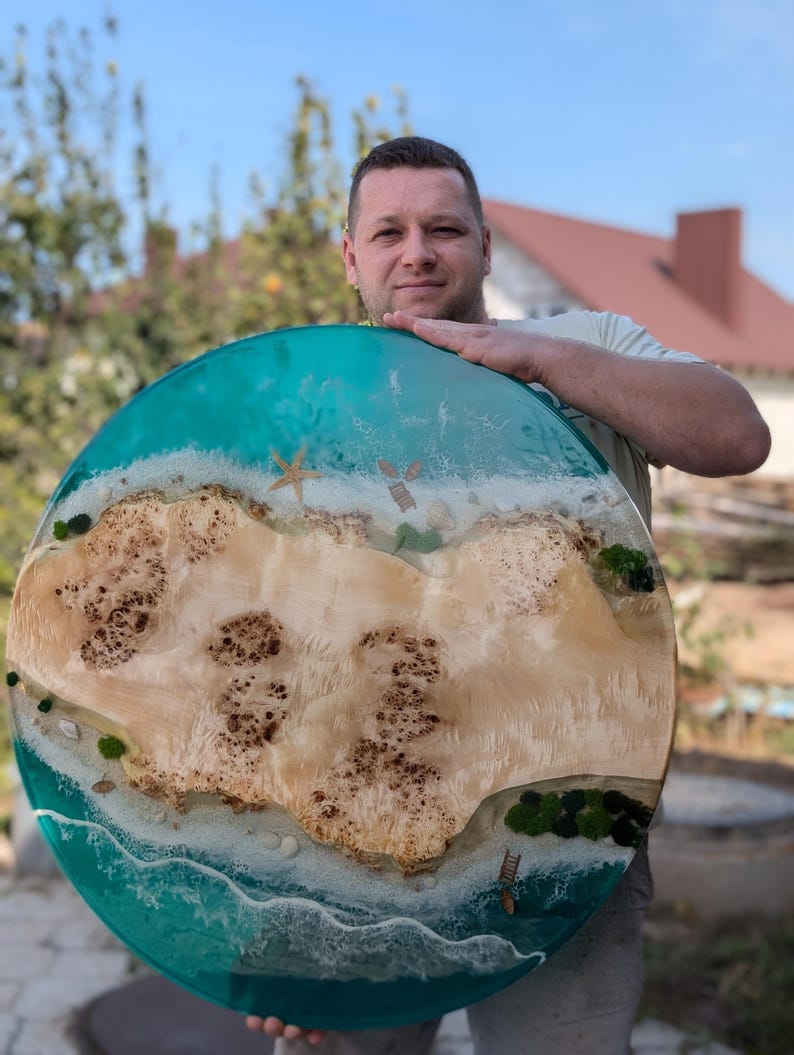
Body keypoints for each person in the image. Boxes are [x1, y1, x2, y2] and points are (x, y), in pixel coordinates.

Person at [245, 137, 771, 1053]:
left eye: (445, 229)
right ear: (351, 257)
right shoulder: (306, 418)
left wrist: (532, 356)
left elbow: (738, 435)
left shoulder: (587, 348)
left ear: (486, 247)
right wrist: (274, 913)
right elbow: (268, 660)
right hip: (354, 835)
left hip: (562, 828)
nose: (418, 252)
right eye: (390, 232)